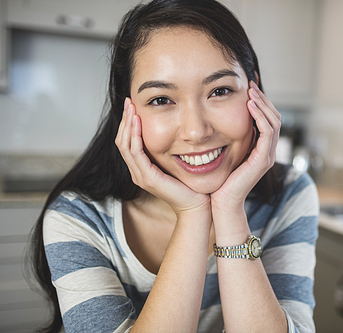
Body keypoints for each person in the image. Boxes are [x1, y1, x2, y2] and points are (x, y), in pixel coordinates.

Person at [28, 0, 319, 332]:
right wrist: (193, 214)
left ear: (254, 89)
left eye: (220, 90)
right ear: (127, 111)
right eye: (161, 100)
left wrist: (228, 209)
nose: (196, 131)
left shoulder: (290, 193)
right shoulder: (78, 218)